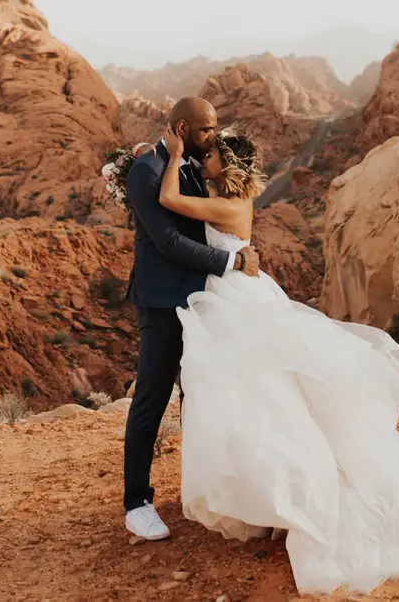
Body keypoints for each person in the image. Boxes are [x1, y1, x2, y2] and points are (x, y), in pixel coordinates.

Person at [156, 123, 399, 597]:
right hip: (237, 291)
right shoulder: (229, 197)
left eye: (212, 155)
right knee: (255, 399)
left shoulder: (228, 205)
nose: (206, 158)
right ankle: (265, 502)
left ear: (228, 167)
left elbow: (171, 202)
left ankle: (291, 499)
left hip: (237, 299)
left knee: (262, 397)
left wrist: (173, 157)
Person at [123, 97, 260, 542]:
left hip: (207, 301)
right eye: (205, 131)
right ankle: (137, 503)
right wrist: (232, 263)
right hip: (163, 302)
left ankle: (202, 490)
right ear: (182, 128)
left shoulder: (197, 170)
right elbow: (165, 242)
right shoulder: (145, 172)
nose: (212, 138)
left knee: (201, 398)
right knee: (152, 397)